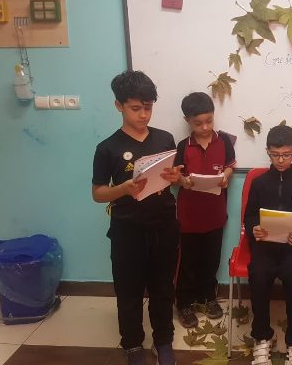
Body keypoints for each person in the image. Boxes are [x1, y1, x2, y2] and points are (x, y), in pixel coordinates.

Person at [91, 70, 183, 365]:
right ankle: (132, 344)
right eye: (135, 108)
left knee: (163, 288)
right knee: (128, 291)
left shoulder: (165, 138)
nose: (143, 115)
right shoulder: (107, 148)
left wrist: (176, 177)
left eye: (148, 107)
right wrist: (124, 189)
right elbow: (98, 193)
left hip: (164, 225)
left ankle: (163, 340)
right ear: (118, 105)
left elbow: (174, 178)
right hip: (127, 230)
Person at [244, 125, 292, 365]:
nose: (280, 160)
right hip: (265, 247)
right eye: (275, 154)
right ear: (267, 152)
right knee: (258, 274)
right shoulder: (259, 183)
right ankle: (262, 336)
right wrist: (254, 228)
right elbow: (249, 217)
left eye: (286, 155)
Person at [172, 91, 236, 328]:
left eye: (209, 121)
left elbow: (230, 166)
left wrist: (225, 176)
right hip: (188, 217)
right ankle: (184, 302)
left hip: (215, 214)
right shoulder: (183, 146)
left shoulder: (224, 141)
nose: (205, 127)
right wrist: (184, 181)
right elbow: (175, 176)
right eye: (198, 123)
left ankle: (208, 297)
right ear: (187, 121)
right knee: (187, 261)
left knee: (211, 259)